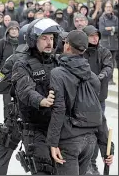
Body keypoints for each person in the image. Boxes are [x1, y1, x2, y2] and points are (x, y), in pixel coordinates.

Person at [46, 30, 114, 175]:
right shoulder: (93, 77)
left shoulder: (58, 74)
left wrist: (52, 143)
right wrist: (106, 146)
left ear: (67, 46)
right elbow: (97, 112)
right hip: (90, 141)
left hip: (69, 141)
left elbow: (59, 109)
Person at [11, 18, 63, 175]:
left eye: (52, 38)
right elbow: (25, 90)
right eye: (44, 38)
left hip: (58, 127)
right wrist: (42, 101)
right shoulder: (22, 64)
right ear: (34, 40)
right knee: (43, 169)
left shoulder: (57, 62)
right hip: (35, 128)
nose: (49, 42)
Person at [0, 24, 30, 175]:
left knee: (1, 160)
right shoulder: (53, 60)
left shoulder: (14, 59)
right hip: (36, 118)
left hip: (21, 116)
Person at [83, 25, 113, 174]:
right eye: (91, 36)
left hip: (99, 97)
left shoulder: (104, 52)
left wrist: (98, 78)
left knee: (98, 130)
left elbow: (108, 68)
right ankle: (86, 162)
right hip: (82, 98)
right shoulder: (80, 52)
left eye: (97, 35)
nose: (95, 38)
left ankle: (92, 162)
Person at [0, 21, 20, 119]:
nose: (13, 31)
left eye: (16, 29)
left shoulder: (22, 44)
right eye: (11, 29)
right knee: (7, 103)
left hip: (19, 78)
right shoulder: (2, 43)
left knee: (20, 104)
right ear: (8, 31)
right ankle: (7, 124)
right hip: (6, 78)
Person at [99, 0, 118, 85]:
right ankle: (104, 78)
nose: (108, 8)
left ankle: (111, 79)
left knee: (112, 62)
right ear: (104, 8)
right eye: (107, 7)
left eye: (110, 7)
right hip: (105, 44)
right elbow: (102, 31)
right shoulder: (102, 19)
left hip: (114, 43)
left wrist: (110, 28)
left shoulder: (115, 18)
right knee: (104, 62)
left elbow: (118, 29)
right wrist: (113, 29)